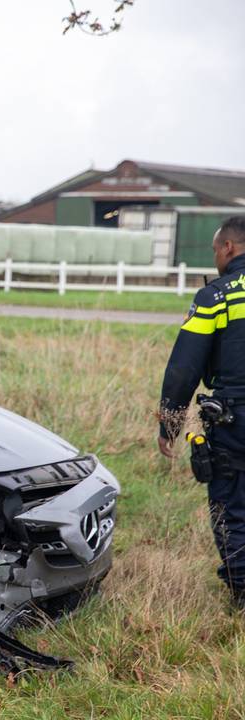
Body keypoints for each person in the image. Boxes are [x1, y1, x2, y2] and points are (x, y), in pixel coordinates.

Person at [159, 215, 245, 604]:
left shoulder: (217, 296)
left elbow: (184, 369)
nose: (215, 257)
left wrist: (171, 424)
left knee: (232, 507)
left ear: (229, 247)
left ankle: (242, 593)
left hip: (235, 421)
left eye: (215, 250)